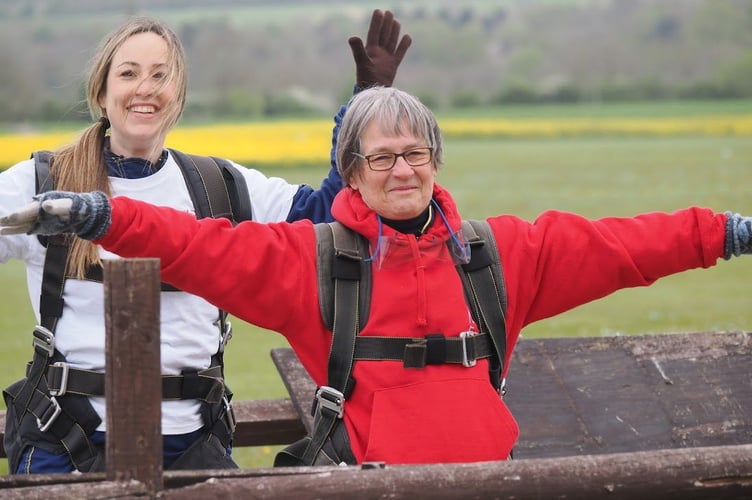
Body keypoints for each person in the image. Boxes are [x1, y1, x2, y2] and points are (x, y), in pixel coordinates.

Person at [4, 85, 749, 467]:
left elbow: (625, 245)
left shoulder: (500, 255)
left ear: (437, 160)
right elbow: (199, 245)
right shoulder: (313, 262)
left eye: (417, 152)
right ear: (350, 176)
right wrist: (105, 215)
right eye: (381, 157)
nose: (403, 170)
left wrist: (729, 233)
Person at [0, 11, 411, 473]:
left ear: (178, 95)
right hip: (65, 443)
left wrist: (364, 106)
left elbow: (324, 221)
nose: (145, 88)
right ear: (101, 92)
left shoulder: (220, 187)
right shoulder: (42, 183)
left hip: (194, 448)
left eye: (161, 75)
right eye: (129, 73)